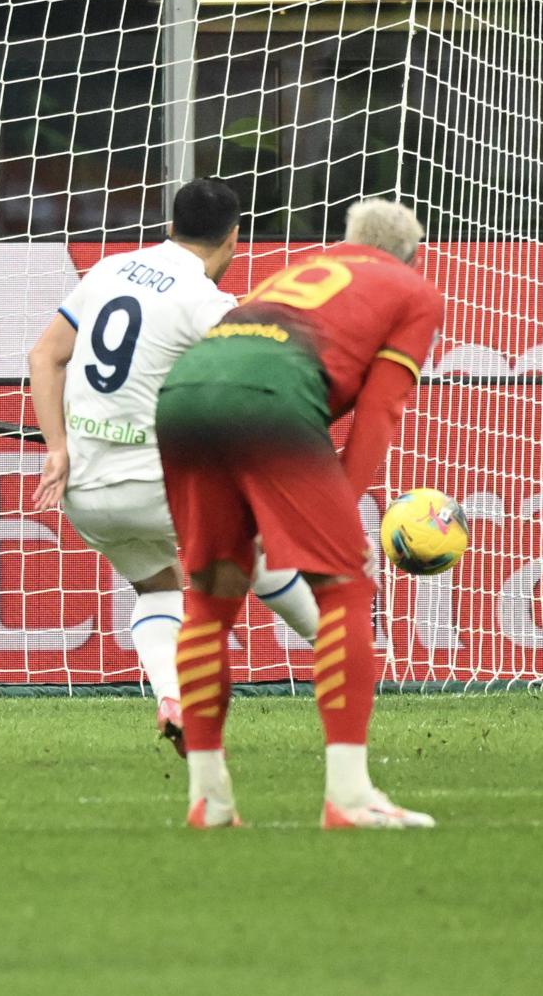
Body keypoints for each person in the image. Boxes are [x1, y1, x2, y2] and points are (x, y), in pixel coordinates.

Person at [156, 197, 443, 830]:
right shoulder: (412, 290)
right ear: (410, 255)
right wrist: (342, 506)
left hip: (182, 394)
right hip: (272, 399)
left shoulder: (294, 274)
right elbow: (379, 413)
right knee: (343, 584)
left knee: (210, 595)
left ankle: (209, 800)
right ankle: (349, 796)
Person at [29, 179, 319, 753]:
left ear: (169, 226)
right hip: (157, 483)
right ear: (234, 239)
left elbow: (45, 355)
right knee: (253, 549)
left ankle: (172, 697)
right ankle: (337, 644)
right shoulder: (207, 302)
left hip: (84, 490)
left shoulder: (110, 270)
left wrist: (57, 447)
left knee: (157, 587)